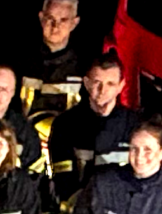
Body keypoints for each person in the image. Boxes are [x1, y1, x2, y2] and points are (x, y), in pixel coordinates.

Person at [43, 55, 134, 204]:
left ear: (121, 86)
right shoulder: (65, 124)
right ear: (86, 83)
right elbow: (64, 184)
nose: (102, 90)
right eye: (97, 82)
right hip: (80, 209)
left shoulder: (135, 126)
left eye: (110, 84)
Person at [16, 0, 92, 117]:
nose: (55, 27)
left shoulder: (84, 67)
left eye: (63, 20)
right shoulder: (20, 61)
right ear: (41, 18)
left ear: (74, 23)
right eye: (50, 18)